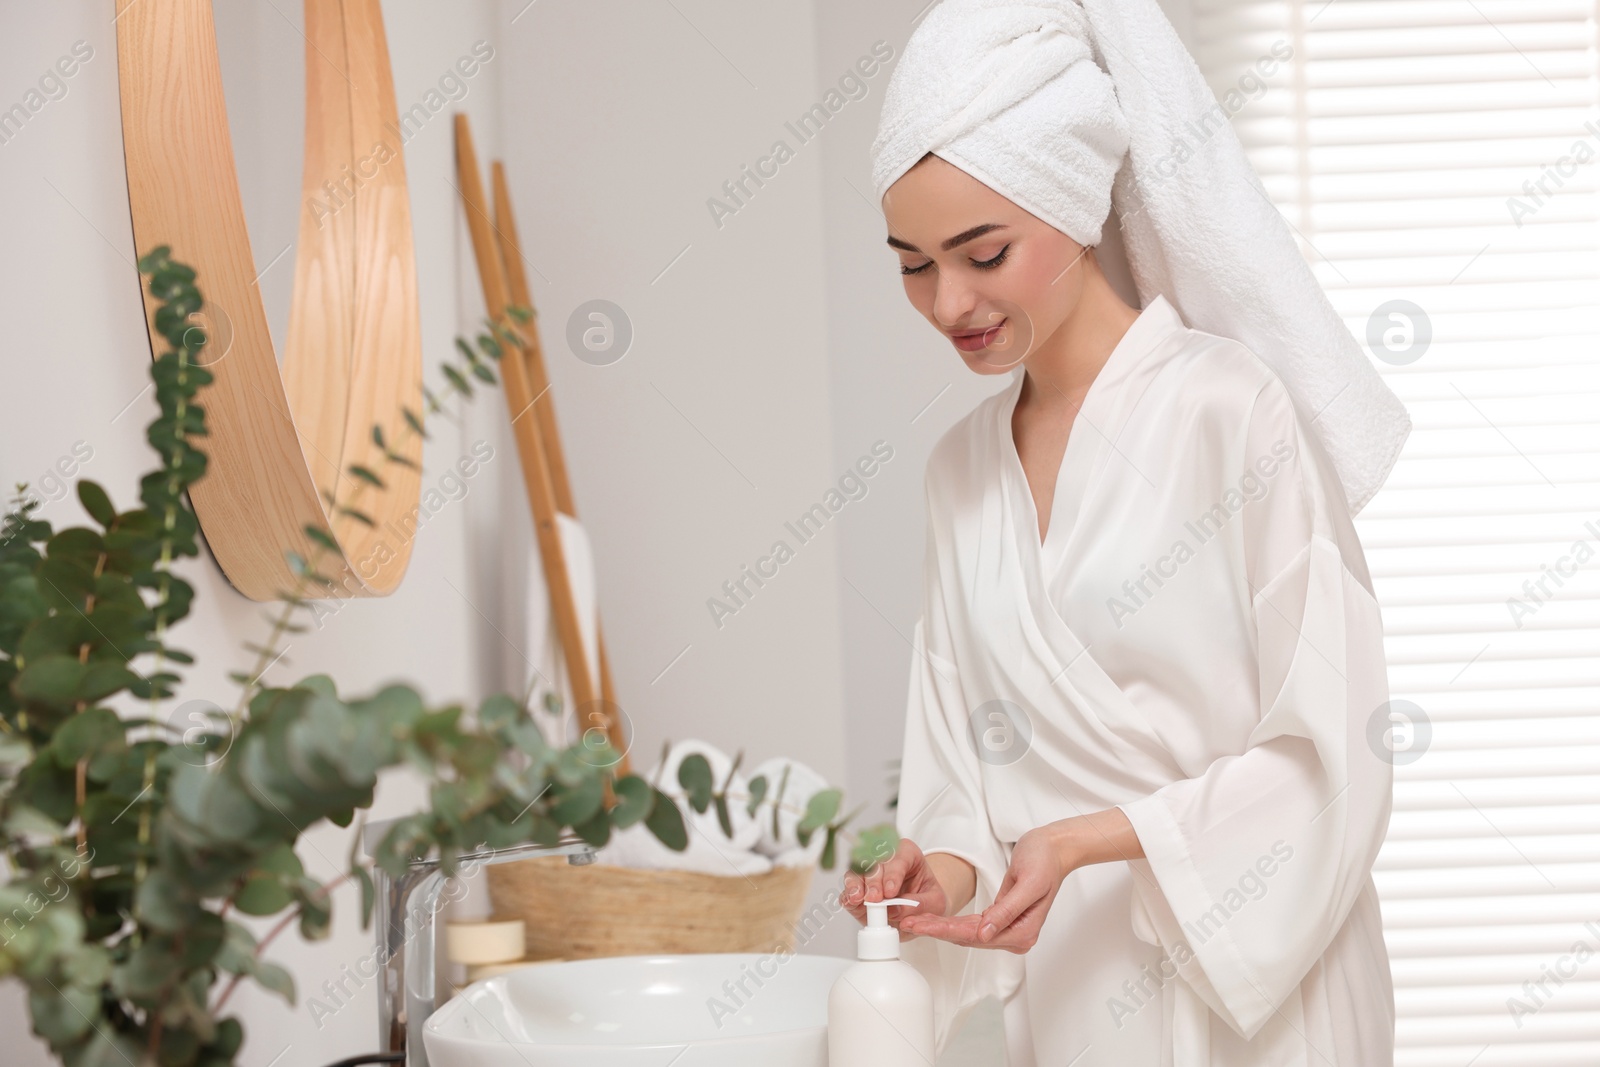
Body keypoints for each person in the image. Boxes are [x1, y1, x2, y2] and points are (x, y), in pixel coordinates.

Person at [839, 2, 1412, 1065]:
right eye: (912, 263)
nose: (946, 301)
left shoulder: (1230, 411)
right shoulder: (959, 474)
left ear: (1077, 202)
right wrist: (941, 868)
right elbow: (961, 770)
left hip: (1262, 990)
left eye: (983, 251)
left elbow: (1336, 743)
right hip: (1075, 996)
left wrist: (1097, 836)